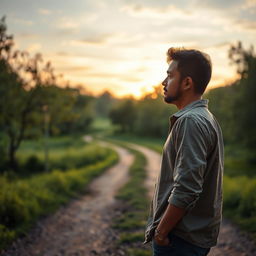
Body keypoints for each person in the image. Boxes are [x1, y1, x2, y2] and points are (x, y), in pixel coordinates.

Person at [143, 47, 224, 256]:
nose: (163, 82)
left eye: (170, 76)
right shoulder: (205, 117)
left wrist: (161, 233)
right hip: (187, 238)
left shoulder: (190, 122)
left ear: (187, 82)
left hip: (179, 239)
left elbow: (187, 187)